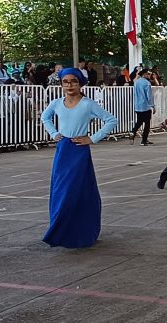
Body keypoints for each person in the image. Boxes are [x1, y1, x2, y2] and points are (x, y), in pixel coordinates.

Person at [40, 68, 118, 248]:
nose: (69, 85)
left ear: (80, 83)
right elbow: (45, 117)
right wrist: (54, 133)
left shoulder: (88, 104)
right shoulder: (56, 103)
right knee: (61, 190)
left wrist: (92, 138)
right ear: (61, 84)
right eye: (65, 82)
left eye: (73, 81)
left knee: (76, 191)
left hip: (79, 150)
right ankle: (59, 230)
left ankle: (80, 230)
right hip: (63, 150)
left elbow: (111, 120)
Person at [130, 69, 155, 145]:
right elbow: (149, 96)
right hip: (145, 106)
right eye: (148, 74)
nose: (149, 75)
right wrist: (152, 106)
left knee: (139, 121)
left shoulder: (136, 82)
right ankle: (144, 140)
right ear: (144, 74)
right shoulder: (147, 83)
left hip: (138, 105)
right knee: (147, 124)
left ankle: (133, 132)